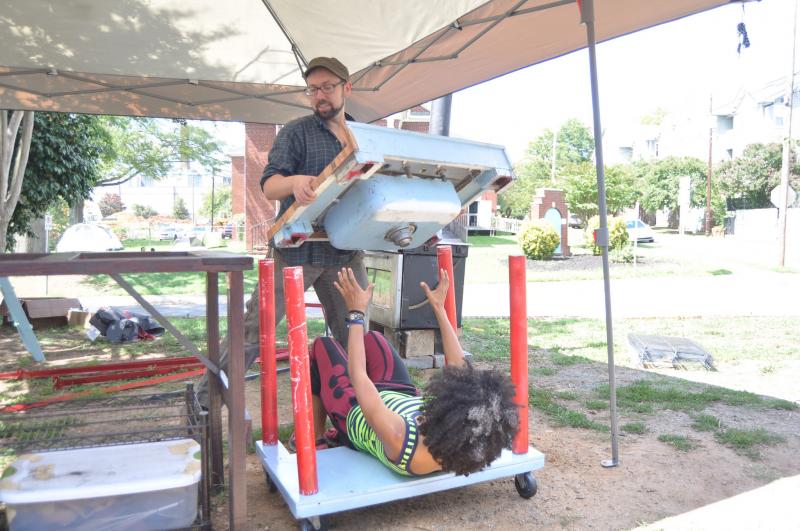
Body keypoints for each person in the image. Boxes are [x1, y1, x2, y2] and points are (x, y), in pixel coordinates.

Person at [195, 57, 367, 407]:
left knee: (357, 332)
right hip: (295, 250)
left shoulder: (363, 136)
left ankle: (359, 413)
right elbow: (269, 185)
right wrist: (296, 181)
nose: (320, 96)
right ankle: (202, 404)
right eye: (313, 89)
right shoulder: (296, 132)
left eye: (327, 87)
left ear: (346, 88)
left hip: (345, 252)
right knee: (254, 330)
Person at [306, 267, 519, 476]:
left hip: (356, 412)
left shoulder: (399, 438)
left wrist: (356, 313)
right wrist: (439, 308)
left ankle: (317, 438)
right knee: (374, 339)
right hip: (402, 399)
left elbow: (358, 376)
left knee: (322, 346)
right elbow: (459, 368)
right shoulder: (463, 442)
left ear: (449, 415)